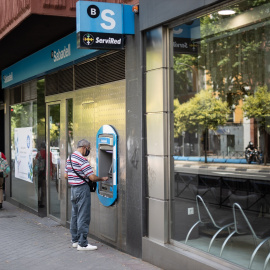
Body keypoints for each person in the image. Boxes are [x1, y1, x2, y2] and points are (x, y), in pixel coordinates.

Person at [65, 139, 108, 251]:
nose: (88, 151)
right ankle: (82, 244)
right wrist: (102, 178)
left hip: (73, 189)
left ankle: (75, 240)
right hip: (82, 190)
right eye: (88, 149)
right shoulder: (82, 159)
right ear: (84, 147)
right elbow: (92, 178)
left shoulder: (70, 158)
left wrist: (76, 177)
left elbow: (66, 175)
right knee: (83, 216)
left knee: (75, 215)